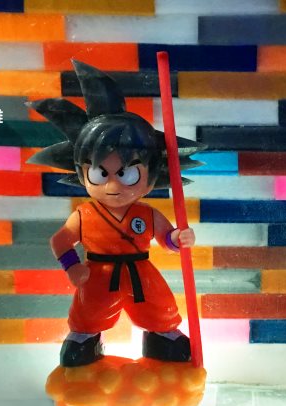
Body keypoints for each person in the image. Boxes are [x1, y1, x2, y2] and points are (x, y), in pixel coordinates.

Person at [27, 60, 205, 368]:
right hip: (98, 275)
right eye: (100, 173)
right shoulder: (84, 215)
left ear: (151, 176)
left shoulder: (146, 214)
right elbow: (60, 241)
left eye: (127, 173)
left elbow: (167, 238)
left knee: (159, 309)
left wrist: (179, 239)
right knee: (89, 315)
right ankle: (86, 340)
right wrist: (72, 267)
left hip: (142, 274)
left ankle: (161, 338)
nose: (113, 185)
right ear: (82, 172)